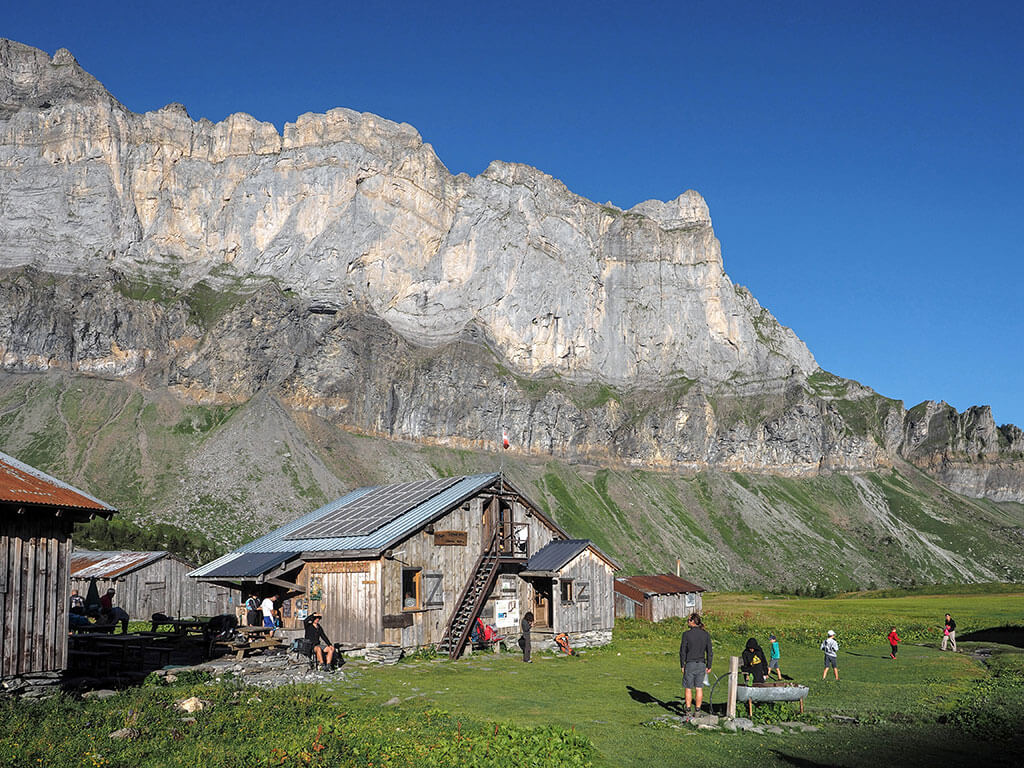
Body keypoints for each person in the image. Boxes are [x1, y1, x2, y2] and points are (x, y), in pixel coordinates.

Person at [679, 612, 713, 714]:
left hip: (690, 663)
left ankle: (688, 710)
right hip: (701, 664)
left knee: (688, 687)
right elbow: (709, 652)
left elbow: (682, 651)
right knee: (699, 688)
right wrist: (709, 665)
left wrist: (682, 664)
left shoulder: (686, 634)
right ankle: (698, 710)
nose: (687, 622)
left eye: (688, 620)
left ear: (693, 621)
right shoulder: (706, 634)